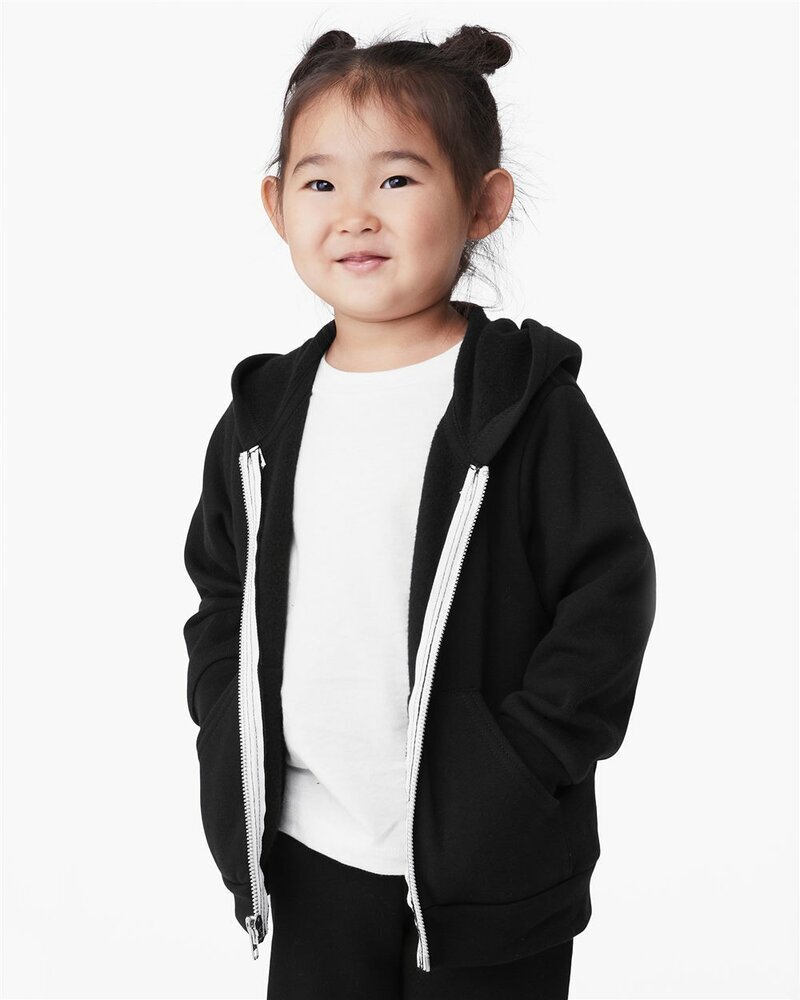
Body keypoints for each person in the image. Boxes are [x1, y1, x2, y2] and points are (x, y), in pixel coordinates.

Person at [183, 24, 657, 1000]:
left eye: (396, 179)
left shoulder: (519, 404)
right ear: (276, 206)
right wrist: (226, 727)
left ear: (482, 202)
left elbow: (607, 592)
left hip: (488, 859)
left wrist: (520, 766)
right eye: (320, 182)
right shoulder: (262, 416)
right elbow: (220, 591)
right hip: (308, 845)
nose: (354, 213)